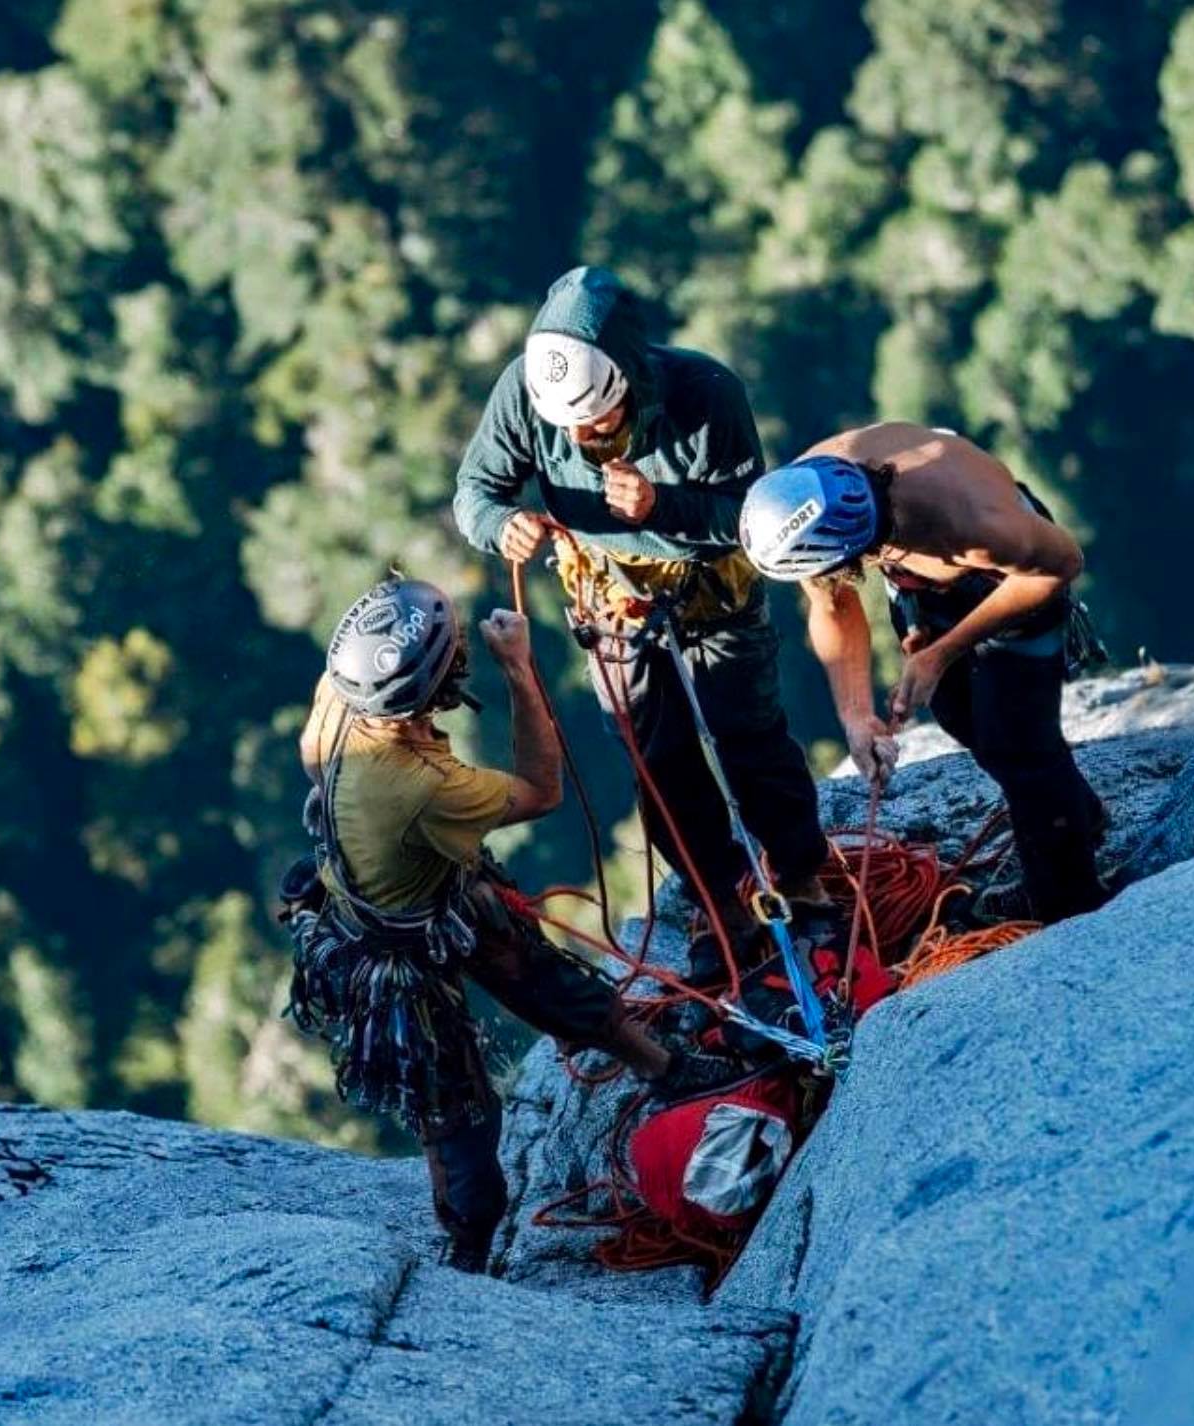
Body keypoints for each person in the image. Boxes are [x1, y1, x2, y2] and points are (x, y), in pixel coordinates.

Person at [285, 578, 739, 1274]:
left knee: (543, 977)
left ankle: (663, 1067)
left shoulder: (337, 699)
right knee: (461, 1113)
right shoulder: (423, 788)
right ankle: (468, 1252)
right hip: (395, 956)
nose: (465, 646)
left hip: (410, 892)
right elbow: (542, 790)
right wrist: (519, 669)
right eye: (457, 648)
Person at [453, 265, 830, 951]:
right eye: (568, 424)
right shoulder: (528, 394)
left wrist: (663, 507)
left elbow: (750, 516)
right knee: (660, 762)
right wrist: (498, 523)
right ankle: (719, 903)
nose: (582, 436)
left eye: (597, 418)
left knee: (748, 735)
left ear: (628, 377)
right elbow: (476, 490)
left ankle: (802, 875)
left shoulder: (706, 395)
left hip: (713, 590)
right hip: (612, 604)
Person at [738, 421, 1110, 923]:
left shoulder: (972, 519)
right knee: (958, 714)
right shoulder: (809, 494)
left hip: (1012, 582)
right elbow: (831, 603)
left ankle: (1068, 896)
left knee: (1019, 745)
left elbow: (1061, 563)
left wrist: (940, 654)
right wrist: (855, 715)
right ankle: (1074, 820)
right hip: (921, 587)